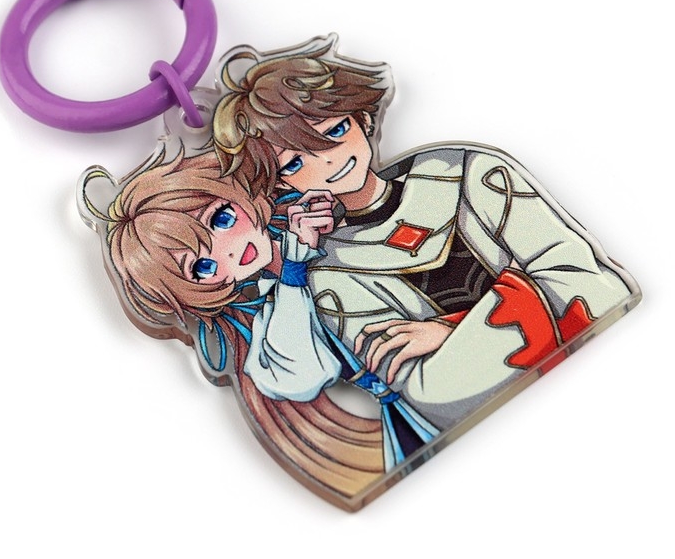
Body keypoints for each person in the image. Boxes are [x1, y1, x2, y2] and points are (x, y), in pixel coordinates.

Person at [211, 33, 641, 431]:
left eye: (336, 131)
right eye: (295, 162)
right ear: (281, 183)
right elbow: (434, 393)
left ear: (363, 118)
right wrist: (530, 299)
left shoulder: (469, 172)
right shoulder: (332, 274)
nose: (329, 160)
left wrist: (451, 331)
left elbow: (595, 287)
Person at [79, 147, 387, 508]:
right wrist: (293, 269)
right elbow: (296, 374)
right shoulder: (270, 319)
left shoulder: (311, 224)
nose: (228, 250)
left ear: (238, 194)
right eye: (203, 267)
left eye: (222, 219)